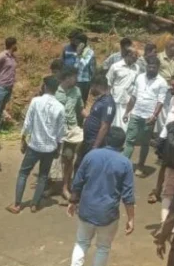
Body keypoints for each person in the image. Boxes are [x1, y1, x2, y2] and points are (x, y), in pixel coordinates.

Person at [66, 127, 135, 266]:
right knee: (102, 247)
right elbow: (128, 195)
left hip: (87, 209)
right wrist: (131, 218)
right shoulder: (125, 163)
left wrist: (73, 201)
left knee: (81, 242)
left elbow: (78, 180)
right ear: (122, 144)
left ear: (106, 140)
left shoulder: (91, 155)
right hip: (108, 214)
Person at [7, 76, 65, 214]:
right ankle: (34, 204)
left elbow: (27, 123)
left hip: (35, 146)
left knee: (23, 173)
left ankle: (17, 205)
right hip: (50, 147)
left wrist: (23, 140)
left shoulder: (36, 101)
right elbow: (60, 131)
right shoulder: (60, 107)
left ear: (44, 87)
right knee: (43, 176)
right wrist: (58, 148)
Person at [123, 56, 167, 175]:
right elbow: (133, 96)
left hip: (149, 117)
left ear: (158, 68)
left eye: (154, 67)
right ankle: (124, 164)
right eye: (149, 66)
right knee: (129, 140)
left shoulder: (162, 82)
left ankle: (140, 166)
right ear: (146, 66)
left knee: (145, 142)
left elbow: (160, 102)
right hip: (136, 113)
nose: (151, 69)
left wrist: (154, 116)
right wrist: (127, 111)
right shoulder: (140, 78)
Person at [54, 68, 85, 201]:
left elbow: (81, 109)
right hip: (55, 131)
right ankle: (51, 186)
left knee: (68, 158)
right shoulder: (54, 91)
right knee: (52, 159)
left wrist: (90, 118)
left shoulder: (77, 91)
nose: (76, 79)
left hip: (71, 131)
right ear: (67, 78)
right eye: (74, 77)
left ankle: (65, 187)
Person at [76, 75, 117, 169]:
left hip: (93, 142)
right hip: (87, 141)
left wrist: (95, 147)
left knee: (86, 168)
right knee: (78, 166)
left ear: (98, 86)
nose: (90, 90)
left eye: (92, 87)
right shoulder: (101, 100)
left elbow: (105, 126)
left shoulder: (108, 103)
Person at [107, 49, 140, 130]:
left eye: (137, 57)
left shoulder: (137, 68)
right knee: (111, 124)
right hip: (115, 100)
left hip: (128, 102)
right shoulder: (115, 66)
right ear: (128, 54)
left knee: (124, 126)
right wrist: (108, 99)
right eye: (134, 56)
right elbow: (109, 83)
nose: (136, 59)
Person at [74, 33, 96, 107]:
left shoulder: (89, 52)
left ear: (83, 43)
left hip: (84, 81)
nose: (76, 44)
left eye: (78, 42)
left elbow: (84, 64)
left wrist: (79, 54)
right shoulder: (77, 50)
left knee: (81, 102)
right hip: (75, 80)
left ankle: (80, 118)